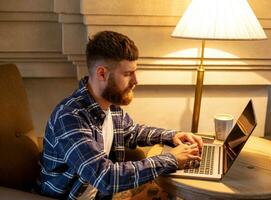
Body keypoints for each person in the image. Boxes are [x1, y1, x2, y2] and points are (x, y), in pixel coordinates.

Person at [40, 31, 203, 200]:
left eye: (134, 72)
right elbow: (105, 177)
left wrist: (173, 135)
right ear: (102, 73)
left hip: (102, 196)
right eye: (127, 74)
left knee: (166, 194)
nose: (135, 81)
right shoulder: (70, 117)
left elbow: (132, 132)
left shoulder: (111, 107)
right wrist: (171, 159)